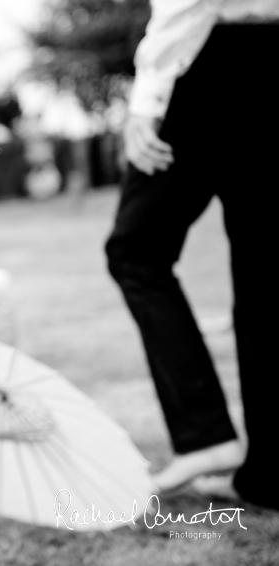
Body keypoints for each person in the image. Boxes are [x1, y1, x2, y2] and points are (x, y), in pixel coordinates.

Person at [105, 0, 279, 509]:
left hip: (214, 58)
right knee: (266, 276)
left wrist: (147, 102)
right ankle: (269, 473)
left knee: (136, 249)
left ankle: (205, 435)